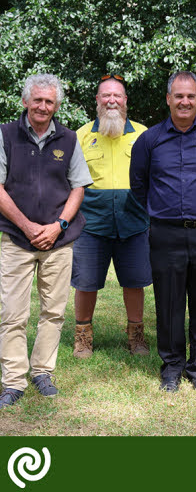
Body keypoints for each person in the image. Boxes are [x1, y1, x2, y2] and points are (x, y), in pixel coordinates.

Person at [130, 71, 196, 394]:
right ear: (168, 99)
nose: (185, 102)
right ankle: (172, 367)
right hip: (165, 234)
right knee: (169, 302)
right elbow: (138, 186)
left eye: (191, 96)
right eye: (179, 96)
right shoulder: (149, 140)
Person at [0, 74, 92, 409]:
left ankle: (41, 372)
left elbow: (78, 186)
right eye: (37, 100)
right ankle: (12, 382)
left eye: (49, 101)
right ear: (25, 101)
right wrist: (26, 226)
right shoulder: (6, 134)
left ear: (56, 105)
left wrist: (58, 226)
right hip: (16, 238)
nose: (43, 107)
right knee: (12, 313)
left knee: (53, 312)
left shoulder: (68, 139)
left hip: (59, 240)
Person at [72, 74, 151, 358]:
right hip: (91, 224)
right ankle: (83, 336)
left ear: (126, 101)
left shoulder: (143, 134)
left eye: (117, 95)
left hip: (133, 223)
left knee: (135, 282)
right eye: (105, 95)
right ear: (97, 101)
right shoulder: (80, 136)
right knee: (85, 282)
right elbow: (71, 181)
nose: (111, 100)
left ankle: (136, 336)